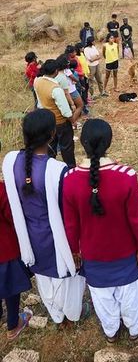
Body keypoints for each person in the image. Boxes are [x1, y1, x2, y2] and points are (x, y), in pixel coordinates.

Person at [63, 119, 138, 342]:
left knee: (102, 300)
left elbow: (71, 225)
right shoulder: (126, 176)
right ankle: (134, 331)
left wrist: (74, 251)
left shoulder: (70, 179)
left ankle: (111, 333)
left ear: (82, 143)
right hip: (126, 255)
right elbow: (136, 219)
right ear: (109, 142)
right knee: (131, 297)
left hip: (93, 258)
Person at [2, 110, 85, 324]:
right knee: (66, 278)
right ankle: (73, 314)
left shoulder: (11, 161)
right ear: (52, 134)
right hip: (55, 237)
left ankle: (57, 316)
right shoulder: (58, 170)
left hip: (28, 236)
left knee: (43, 276)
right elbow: (69, 211)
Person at [0, 179, 32, 340]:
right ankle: (13, 325)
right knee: (10, 287)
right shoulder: (0, 189)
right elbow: (12, 218)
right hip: (4, 249)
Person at [34, 59, 76, 167]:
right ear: (56, 71)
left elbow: (39, 103)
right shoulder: (56, 89)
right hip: (60, 122)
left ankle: (48, 168)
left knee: (50, 147)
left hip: (47, 121)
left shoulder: (37, 81)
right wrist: (73, 121)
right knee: (66, 148)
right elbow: (66, 112)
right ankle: (70, 169)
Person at [55, 55, 82, 131]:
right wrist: (77, 80)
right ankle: (73, 122)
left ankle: (72, 122)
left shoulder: (56, 72)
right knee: (80, 106)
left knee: (68, 109)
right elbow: (73, 78)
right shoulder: (66, 70)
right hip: (71, 91)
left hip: (63, 92)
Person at [75, 43, 90, 112]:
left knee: (87, 87)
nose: (83, 48)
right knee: (83, 89)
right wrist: (82, 74)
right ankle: (85, 102)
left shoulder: (82, 54)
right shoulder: (76, 57)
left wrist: (88, 72)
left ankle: (86, 99)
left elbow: (85, 63)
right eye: (82, 48)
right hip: (81, 75)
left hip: (85, 73)